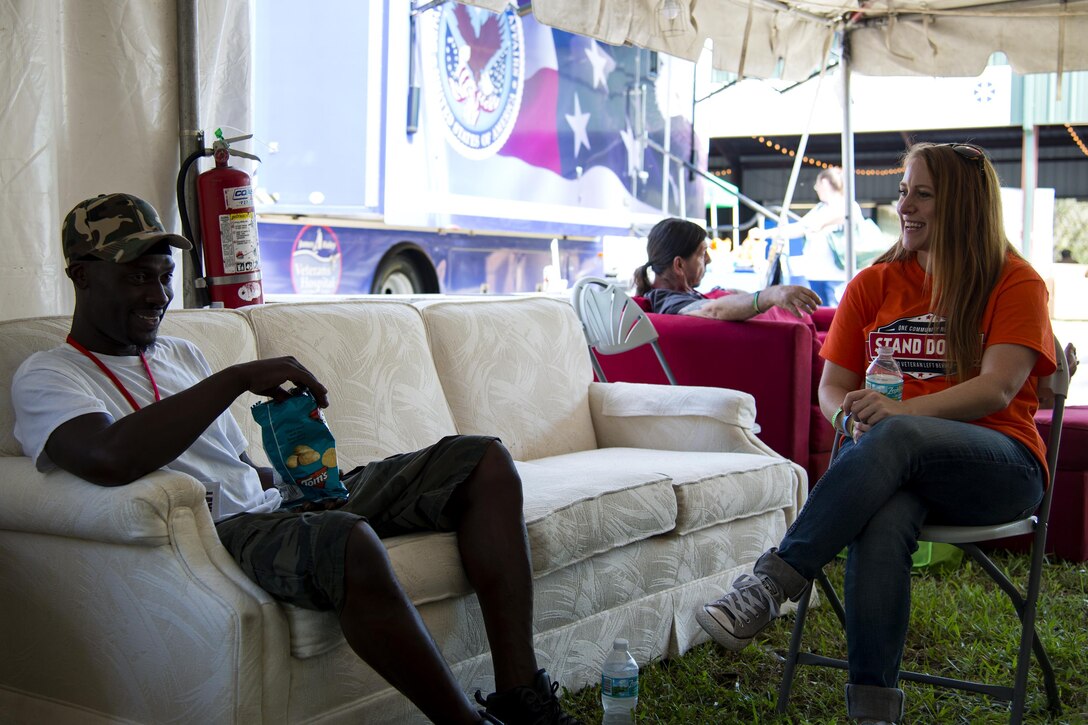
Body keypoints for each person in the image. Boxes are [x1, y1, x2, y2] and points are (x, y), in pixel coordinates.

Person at [11, 193, 581, 725]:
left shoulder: (180, 353)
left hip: (278, 500)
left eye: (164, 278)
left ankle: (521, 696)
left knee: (481, 460)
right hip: (226, 532)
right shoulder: (50, 375)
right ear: (81, 275)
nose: (158, 295)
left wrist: (298, 467)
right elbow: (107, 458)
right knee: (346, 537)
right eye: (138, 277)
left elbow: (233, 464)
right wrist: (236, 378)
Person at [694, 143, 1056, 724]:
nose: (904, 205)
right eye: (903, 191)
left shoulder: (1015, 282)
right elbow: (831, 388)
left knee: (896, 437)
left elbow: (996, 391)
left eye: (922, 193)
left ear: (962, 204)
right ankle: (873, 710)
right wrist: (849, 418)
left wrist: (894, 420)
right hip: (893, 465)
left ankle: (772, 582)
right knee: (884, 516)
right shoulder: (874, 283)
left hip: (999, 464)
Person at [633, 217, 822, 320]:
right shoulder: (668, 300)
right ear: (679, 265)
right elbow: (711, 311)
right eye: (702, 253)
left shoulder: (682, 295)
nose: (709, 260)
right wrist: (769, 295)